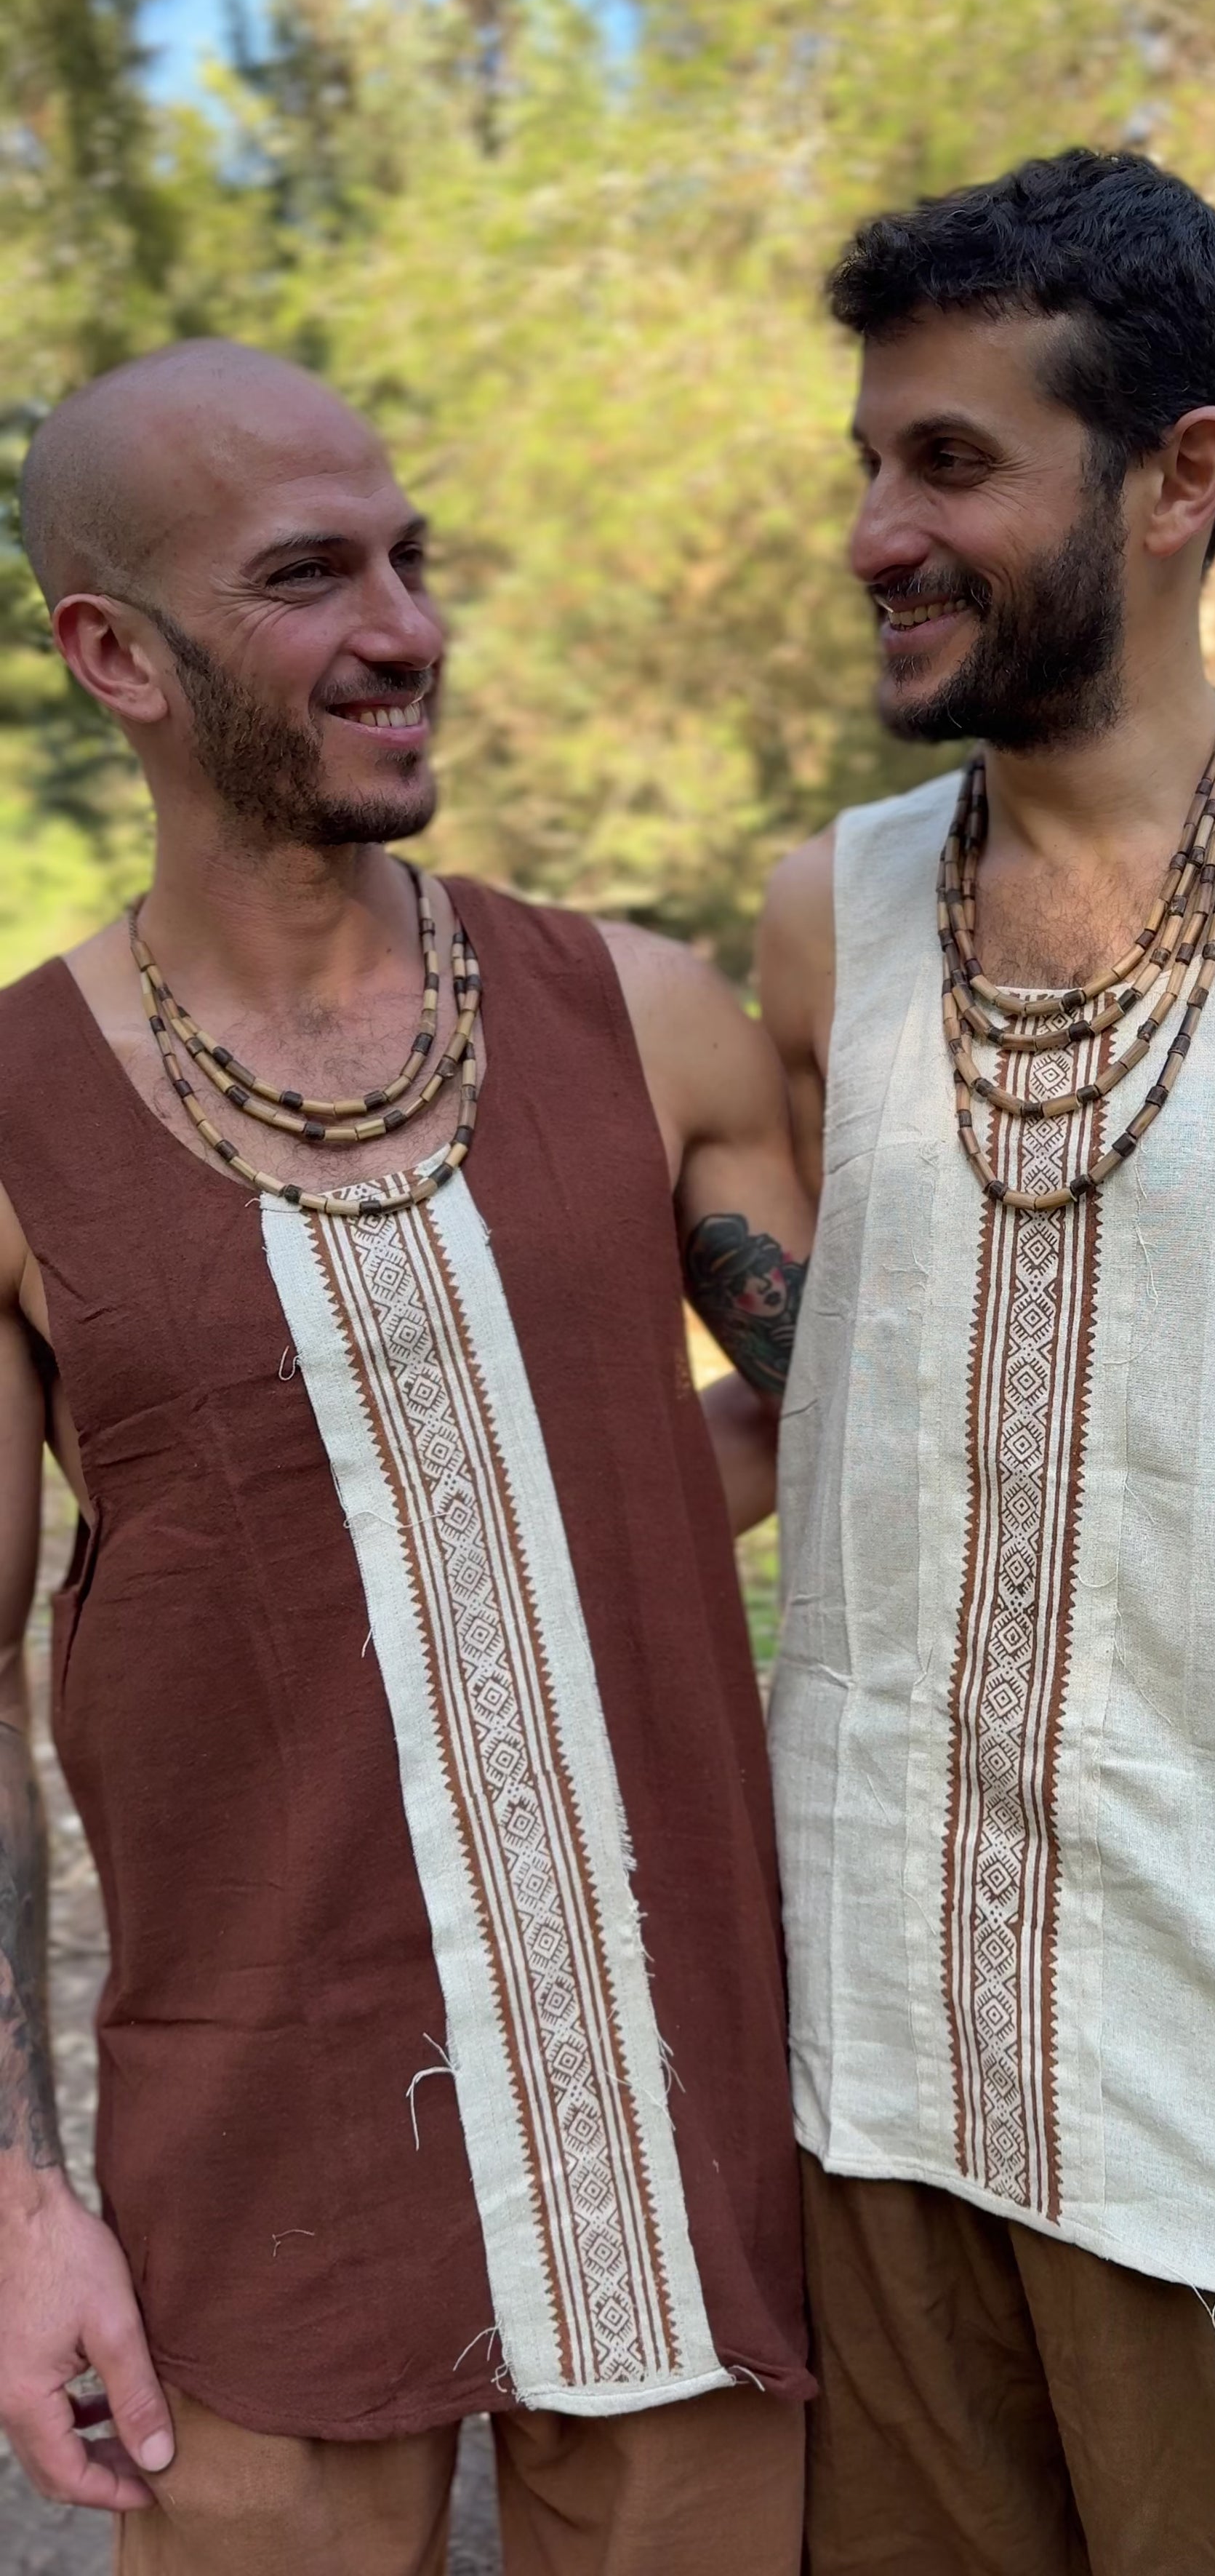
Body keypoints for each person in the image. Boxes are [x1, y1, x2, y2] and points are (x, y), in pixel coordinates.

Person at [0, 339, 812, 2575]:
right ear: (115, 656)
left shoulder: (647, 1023)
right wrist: (21, 2201)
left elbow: (831, 1427)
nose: (406, 627)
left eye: (412, 559)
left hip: (679, 2151)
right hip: (262, 2178)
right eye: (310, 577)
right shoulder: (16, 1124)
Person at [759, 149, 1215, 2574]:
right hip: (885, 2097)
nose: (874, 532)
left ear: (1181, 477)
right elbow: (826, 1398)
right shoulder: (830, 917)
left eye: (950, 460)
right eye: (871, 457)